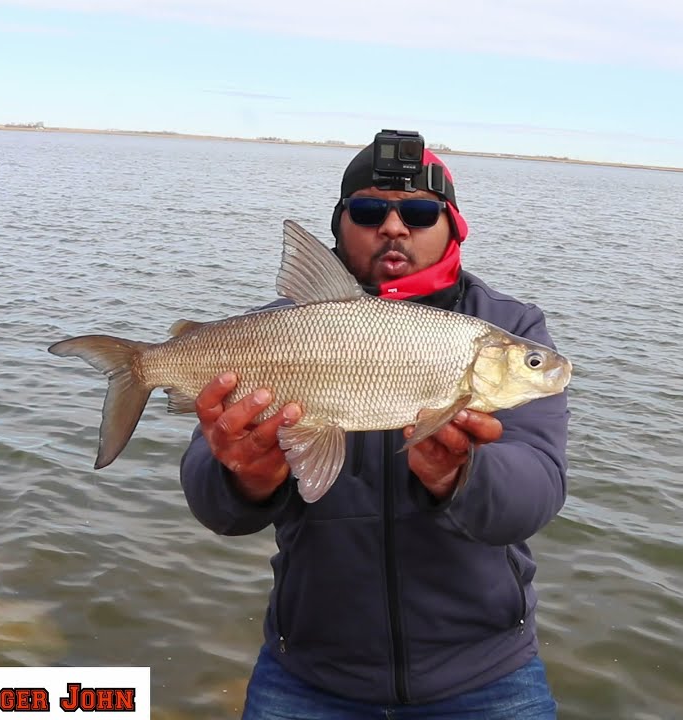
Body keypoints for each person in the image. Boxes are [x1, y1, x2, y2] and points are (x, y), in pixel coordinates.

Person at [179, 131, 571, 719]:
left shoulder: (507, 325)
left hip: (486, 677)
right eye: (368, 212)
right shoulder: (269, 335)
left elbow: (536, 492)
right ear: (339, 228)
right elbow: (212, 503)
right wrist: (246, 481)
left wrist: (460, 477)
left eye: (418, 211)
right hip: (308, 675)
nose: (394, 227)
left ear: (452, 225)